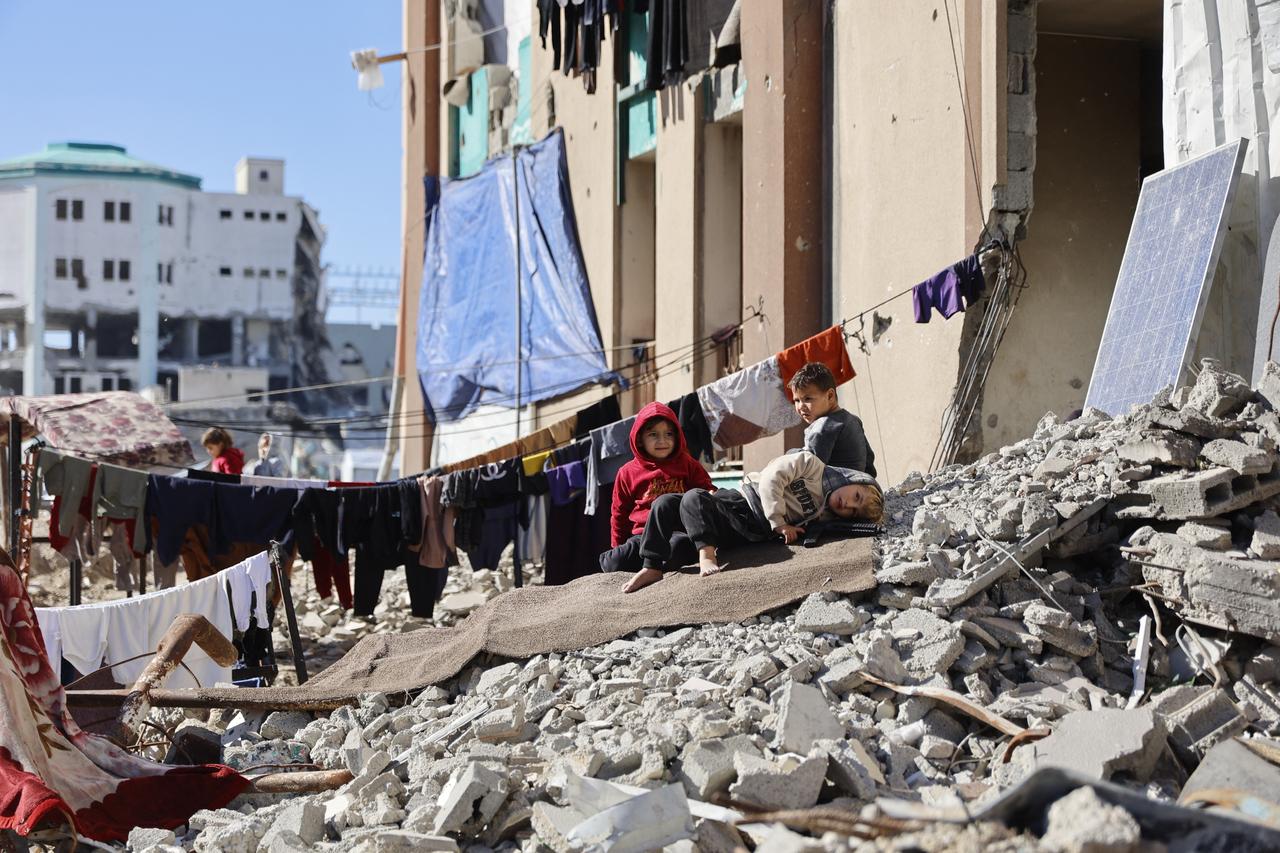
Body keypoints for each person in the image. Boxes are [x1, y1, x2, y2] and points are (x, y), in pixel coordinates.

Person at [629, 450, 883, 590]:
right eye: (856, 496)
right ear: (851, 480)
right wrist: (779, 521)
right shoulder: (810, 465)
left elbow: (851, 529)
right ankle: (651, 564)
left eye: (852, 511)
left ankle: (707, 555)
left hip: (750, 528)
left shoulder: (825, 516)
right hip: (740, 502)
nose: (848, 505)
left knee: (692, 500)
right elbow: (774, 475)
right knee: (666, 503)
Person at [600, 401, 714, 593]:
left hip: (676, 532)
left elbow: (704, 495)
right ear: (639, 439)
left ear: (678, 436)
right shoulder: (627, 472)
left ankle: (654, 564)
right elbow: (619, 513)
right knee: (614, 561)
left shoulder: (687, 464)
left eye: (669, 434)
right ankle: (648, 561)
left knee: (678, 547)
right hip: (641, 537)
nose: (662, 441)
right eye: (653, 434)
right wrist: (618, 545)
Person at [788, 362, 876, 476]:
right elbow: (869, 461)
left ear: (830, 396)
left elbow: (809, 469)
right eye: (797, 400)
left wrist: (790, 454)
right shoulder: (853, 420)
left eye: (808, 398)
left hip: (835, 490)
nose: (800, 406)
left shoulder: (823, 426)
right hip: (859, 487)